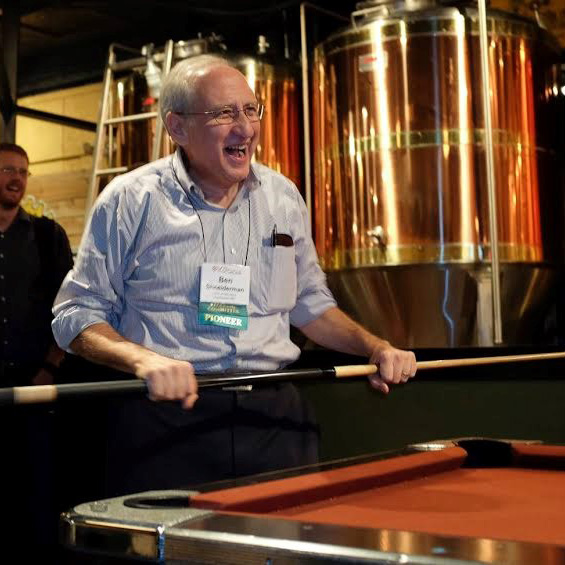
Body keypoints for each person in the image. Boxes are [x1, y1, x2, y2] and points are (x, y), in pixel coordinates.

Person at [52, 55, 417, 495]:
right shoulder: (130, 201)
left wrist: (374, 346)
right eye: (224, 113)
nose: (245, 127)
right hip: (169, 421)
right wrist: (144, 359)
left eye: (251, 109)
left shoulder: (283, 198)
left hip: (275, 418)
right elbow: (74, 315)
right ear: (178, 127)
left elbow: (310, 306)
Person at [0, 142, 73, 559]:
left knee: (36, 490)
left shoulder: (48, 236)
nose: (17, 178)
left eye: (23, 171)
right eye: (8, 169)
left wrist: (50, 366)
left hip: (35, 384)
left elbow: (69, 311)